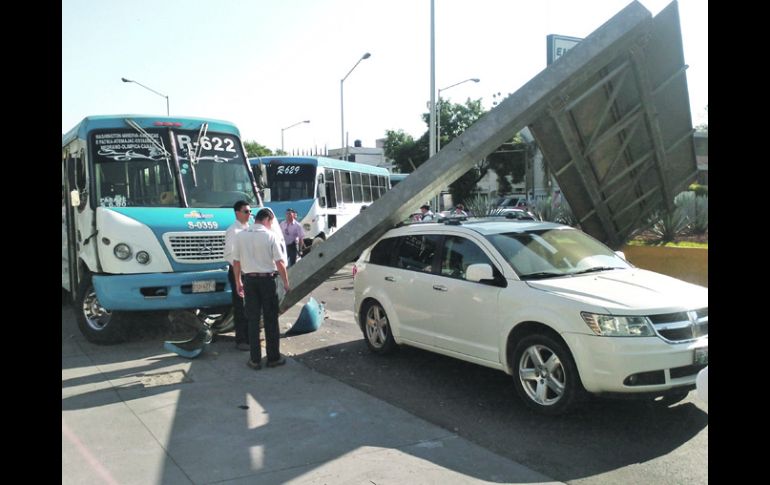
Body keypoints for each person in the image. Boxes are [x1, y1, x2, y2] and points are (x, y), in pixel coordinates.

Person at [233, 208, 291, 370]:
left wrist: (238, 281)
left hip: (249, 281)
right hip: (267, 281)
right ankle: (273, 358)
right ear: (267, 219)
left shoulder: (240, 236)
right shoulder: (270, 236)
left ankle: (255, 359)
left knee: (252, 320)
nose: (271, 225)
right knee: (271, 319)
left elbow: (236, 262)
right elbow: (280, 263)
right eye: (271, 222)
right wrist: (286, 283)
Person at [223, 200, 251, 351]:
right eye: (246, 211)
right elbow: (229, 255)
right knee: (240, 306)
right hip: (237, 272)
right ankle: (241, 339)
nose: (249, 214)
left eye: (250, 211)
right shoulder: (233, 230)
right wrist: (238, 276)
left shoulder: (249, 228)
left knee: (250, 306)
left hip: (249, 271)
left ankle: (249, 336)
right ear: (237, 213)